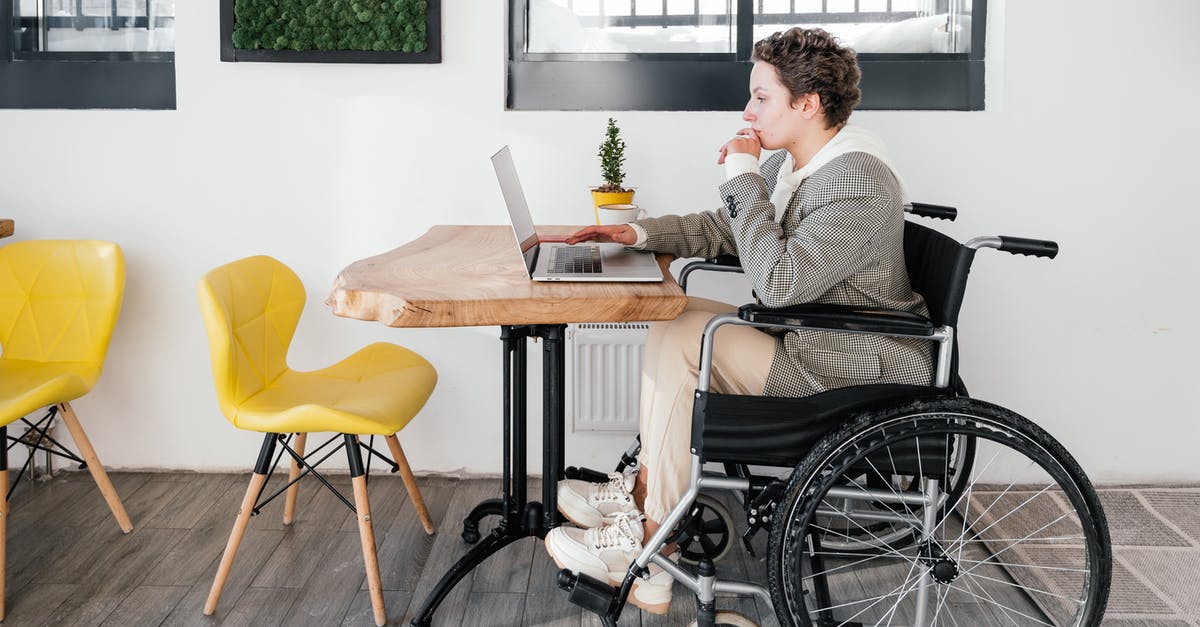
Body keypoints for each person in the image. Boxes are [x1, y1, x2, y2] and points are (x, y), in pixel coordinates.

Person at [543, 26, 935, 614]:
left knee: (686, 342)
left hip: (854, 366)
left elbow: (779, 284)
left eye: (761, 97)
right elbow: (735, 232)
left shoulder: (857, 179)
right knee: (672, 315)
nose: (747, 110)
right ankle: (647, 493)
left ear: (807, 105)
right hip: (811, 337)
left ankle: (649, 549)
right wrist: (638, 233)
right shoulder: (802, 165)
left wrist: (744, 177)